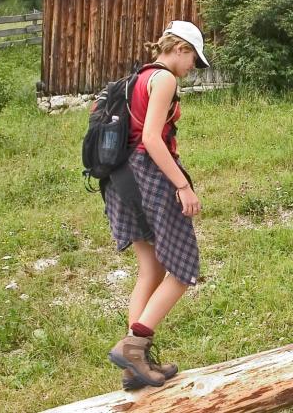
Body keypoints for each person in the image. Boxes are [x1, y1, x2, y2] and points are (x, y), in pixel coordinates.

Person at [104, 21, 210, 389]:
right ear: (180, 48)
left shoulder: (137, 77)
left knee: (150, 270)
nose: (193, 67)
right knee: (182, 269)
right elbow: (151, 138)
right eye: (194, 58)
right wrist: (183, 186)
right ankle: (135, 347)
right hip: (149, 177)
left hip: (120, 181)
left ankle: (135, 366)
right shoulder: (163, 79)